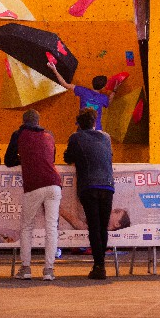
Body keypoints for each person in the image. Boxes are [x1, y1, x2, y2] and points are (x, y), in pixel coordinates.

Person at [4, 109, 62, 281]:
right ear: (38, 121)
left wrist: (23, 159)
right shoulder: (49, 135)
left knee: (27, 226)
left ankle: (26, 268)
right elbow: (51, 158)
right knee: (51, 227)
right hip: (54, 184)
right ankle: (49, 270)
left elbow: (8, 160)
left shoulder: (18, 134)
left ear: (23, 122)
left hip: (34, 184)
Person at [63, 107, 115, 280]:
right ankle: (101, 264)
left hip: (88, 185)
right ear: (94, 122)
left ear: (79, 123)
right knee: (102, 227)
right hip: (107, 185)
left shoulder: (76, 137)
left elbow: (67, 158)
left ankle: (99, 266)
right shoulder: (106, 137)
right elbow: (109, 156)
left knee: (94, 226)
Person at [47, 60, 115, 131]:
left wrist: (54, 69)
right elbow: (108, 103)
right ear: (102, 87)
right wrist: (114, 90)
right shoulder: (104, 98)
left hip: (82, 128)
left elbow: (65, 84)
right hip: (97, 130)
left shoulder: (83, 91)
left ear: (93, 83)